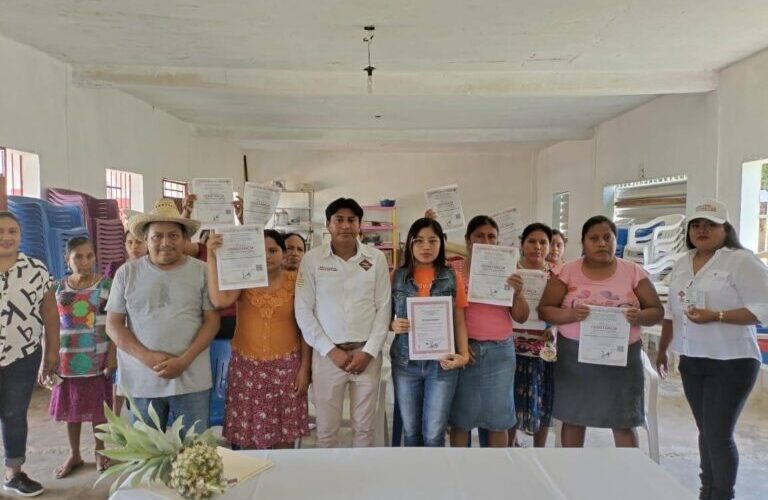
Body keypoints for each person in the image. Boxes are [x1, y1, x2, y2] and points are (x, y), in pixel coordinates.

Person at [655, 200, 767, 500]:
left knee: (718, 433)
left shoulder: (741, 261)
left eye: (710, 224)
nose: (701, 230)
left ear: (725, 229)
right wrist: (663, 348)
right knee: (706, 431)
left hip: (732, 360)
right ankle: (708, 491)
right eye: (696, 225)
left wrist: (717, 316)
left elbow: (763, 309)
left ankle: (722, 495)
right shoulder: (683, 262)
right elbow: (672, 312)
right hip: (693, 360)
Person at [539, 215, 663, 448]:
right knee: (574, 418)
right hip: (575, 359)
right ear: (583, 243)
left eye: (607, 237)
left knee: (623, 420)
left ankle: (628, 474)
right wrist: (570, 315)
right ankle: (572, 472)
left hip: (621, 359)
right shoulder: (567, 272)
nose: (602, 243)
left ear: (616, 240)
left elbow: (656, 311)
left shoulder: (634, 272)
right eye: (594, 238)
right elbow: (545, 310)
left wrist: (639, 316)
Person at [106, 199, 220, 436]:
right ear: (145, 240)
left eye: (173, 236)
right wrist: (147, 357)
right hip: (141, 381)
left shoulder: (202, 271)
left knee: (193, 454)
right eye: (157, 236)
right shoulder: (127, 273)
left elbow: (212, 320)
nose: (165, 243)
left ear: (185, 239)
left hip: (191, 379)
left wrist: (185, 360)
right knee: (146, 456)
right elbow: (113, 325)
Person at [295, 198, 391, 447]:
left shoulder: (376, 259)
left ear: (360, 225)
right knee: (326, 431)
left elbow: (384, 308)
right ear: (328, 224)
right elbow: (303, 311)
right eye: (339, 219)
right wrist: (331, 351)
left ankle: (361, 480)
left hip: (366, 356)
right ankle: (330, 482)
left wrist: (369, 351)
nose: (345, 226)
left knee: (364, 429)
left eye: (352, 220)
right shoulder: (312, 260)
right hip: (327, 357)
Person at [206, 229, 311, 449]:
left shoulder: (297, 281)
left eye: (273, 250)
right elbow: (219, 300)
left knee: (285, 437)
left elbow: (305, 328)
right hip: (248, 369)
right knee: (250, 436)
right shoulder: (244, 278)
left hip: (287, 368)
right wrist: (211, 256)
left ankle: (282, 482)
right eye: (260, 251)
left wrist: (304, 369)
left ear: (282, 253)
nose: (267, 256)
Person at [447, 215, 529, 448]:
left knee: (497, 419)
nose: (486, 240)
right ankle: (460, 474)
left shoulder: (510, 269)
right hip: (466, 351)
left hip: (500, 353)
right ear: (468, 240)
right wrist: (460, 347)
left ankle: (497, 474)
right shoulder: (453, 270)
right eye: (479, 236)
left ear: (498, 240)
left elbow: (521, 316)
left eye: (491, 236)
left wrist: (518, 292)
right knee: (461, 420)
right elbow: (448, 314)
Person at [390, 218, 469, 447]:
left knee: (434, 433)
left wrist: (462, 355)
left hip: (441, 364)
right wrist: (392, 325)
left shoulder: (452, 276)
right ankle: (416, 478)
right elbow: (383, 318)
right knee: (411, 430)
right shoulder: (397, 276)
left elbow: (459, 321)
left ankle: (435, 479)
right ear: (410, 244)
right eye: (419, 241)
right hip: (406, 363)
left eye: (433, 241)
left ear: (441, 243)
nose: (426, 247)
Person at [0, 212, 59, 497]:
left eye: (12, 231)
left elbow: (50, 314)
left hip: (22, 356)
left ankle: (14, 473)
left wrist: (52, 353)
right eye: (0, 231)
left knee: (14, 414)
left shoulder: (36, 269)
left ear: (20, 235)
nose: (6, 237)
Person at [49, 236, 115, 477]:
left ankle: (100, 450)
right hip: (67, 361)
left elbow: (116, 323)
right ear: (68, 259)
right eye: (78, 256)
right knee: (72, 411)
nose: (85, 262)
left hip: (98, 359)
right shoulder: (57, 288)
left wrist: (112, 357)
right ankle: (74, 454)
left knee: (99, 410)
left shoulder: (106, 285)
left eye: (90, 256)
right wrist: (50, 358)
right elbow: (52, 325)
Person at [511, 223, 557, 448]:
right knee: (511, 400)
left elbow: (563, 307)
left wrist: (555, 328)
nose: (537, 247)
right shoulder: (510, 272)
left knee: (543, 401)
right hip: (512, 345)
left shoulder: (558, 275)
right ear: (522, 244)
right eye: (531, 241)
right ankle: (512, 446)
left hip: (544, 349)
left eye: (543, 242)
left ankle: (540, 451)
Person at [110, 229, 148, 416]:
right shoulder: (118, 270)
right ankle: (115, 416)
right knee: (120, 375)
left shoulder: (153, 269)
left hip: (143, 332)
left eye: (139, 242)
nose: (134, 247)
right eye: (130, 242)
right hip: (121, 331)